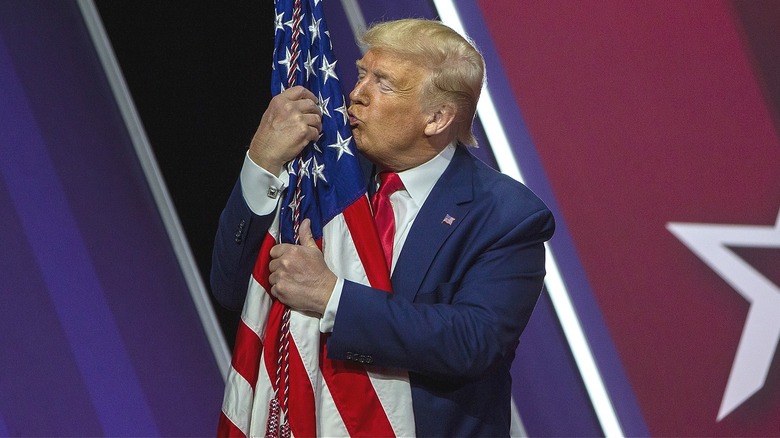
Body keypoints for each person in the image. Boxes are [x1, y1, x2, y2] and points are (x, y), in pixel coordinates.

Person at [211, 18, 555, 437]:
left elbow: (471, 341)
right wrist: (262, 161)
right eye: (361, 74)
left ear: (437, 117)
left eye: (384, 83)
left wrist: (331, 296)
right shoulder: (326, 182)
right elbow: (231, 287)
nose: (355, 94)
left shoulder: (507, 216)